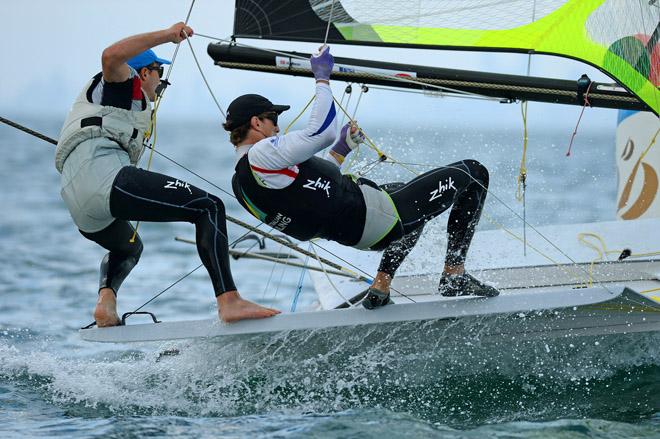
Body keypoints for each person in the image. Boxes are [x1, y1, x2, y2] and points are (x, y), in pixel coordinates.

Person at [223, 46, 499, 309]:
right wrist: (321, 77)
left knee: (404, 192)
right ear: (256, 123)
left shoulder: (242, 180)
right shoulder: (261, 154)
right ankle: (454, 273)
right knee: (473, 172)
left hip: (359, 232)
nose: (277, 125)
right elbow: (322, 132)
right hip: (377, 220)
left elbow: (314, 193)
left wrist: (343, 148)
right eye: (272, 118)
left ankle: (381, 284)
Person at [55, 23, 279, 326]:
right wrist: (168, 35)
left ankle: (105, 304)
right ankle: (229, 301)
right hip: (102, 178)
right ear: (144, 72)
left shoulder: (111, 100)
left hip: (79, 203)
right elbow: (110, 56)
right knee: (209, 207)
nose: (161, 83)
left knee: (130, 247)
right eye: (159, 74)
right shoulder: (123, 84)